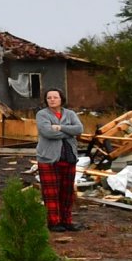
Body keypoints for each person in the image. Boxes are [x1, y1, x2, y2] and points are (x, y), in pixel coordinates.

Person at [36, 88, 85, 231]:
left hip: (68, 158)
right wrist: (68, 132)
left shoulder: (70, 114)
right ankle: (54, 222)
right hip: (49, 158)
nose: (52, 100)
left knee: (67, 192)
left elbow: (79, 129)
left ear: (61, 99)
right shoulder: (42, 114)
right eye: (49, 97)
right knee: (51, 193)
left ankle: (66, 220)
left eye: (55, 97)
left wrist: (60, 127)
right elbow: (47, 132)